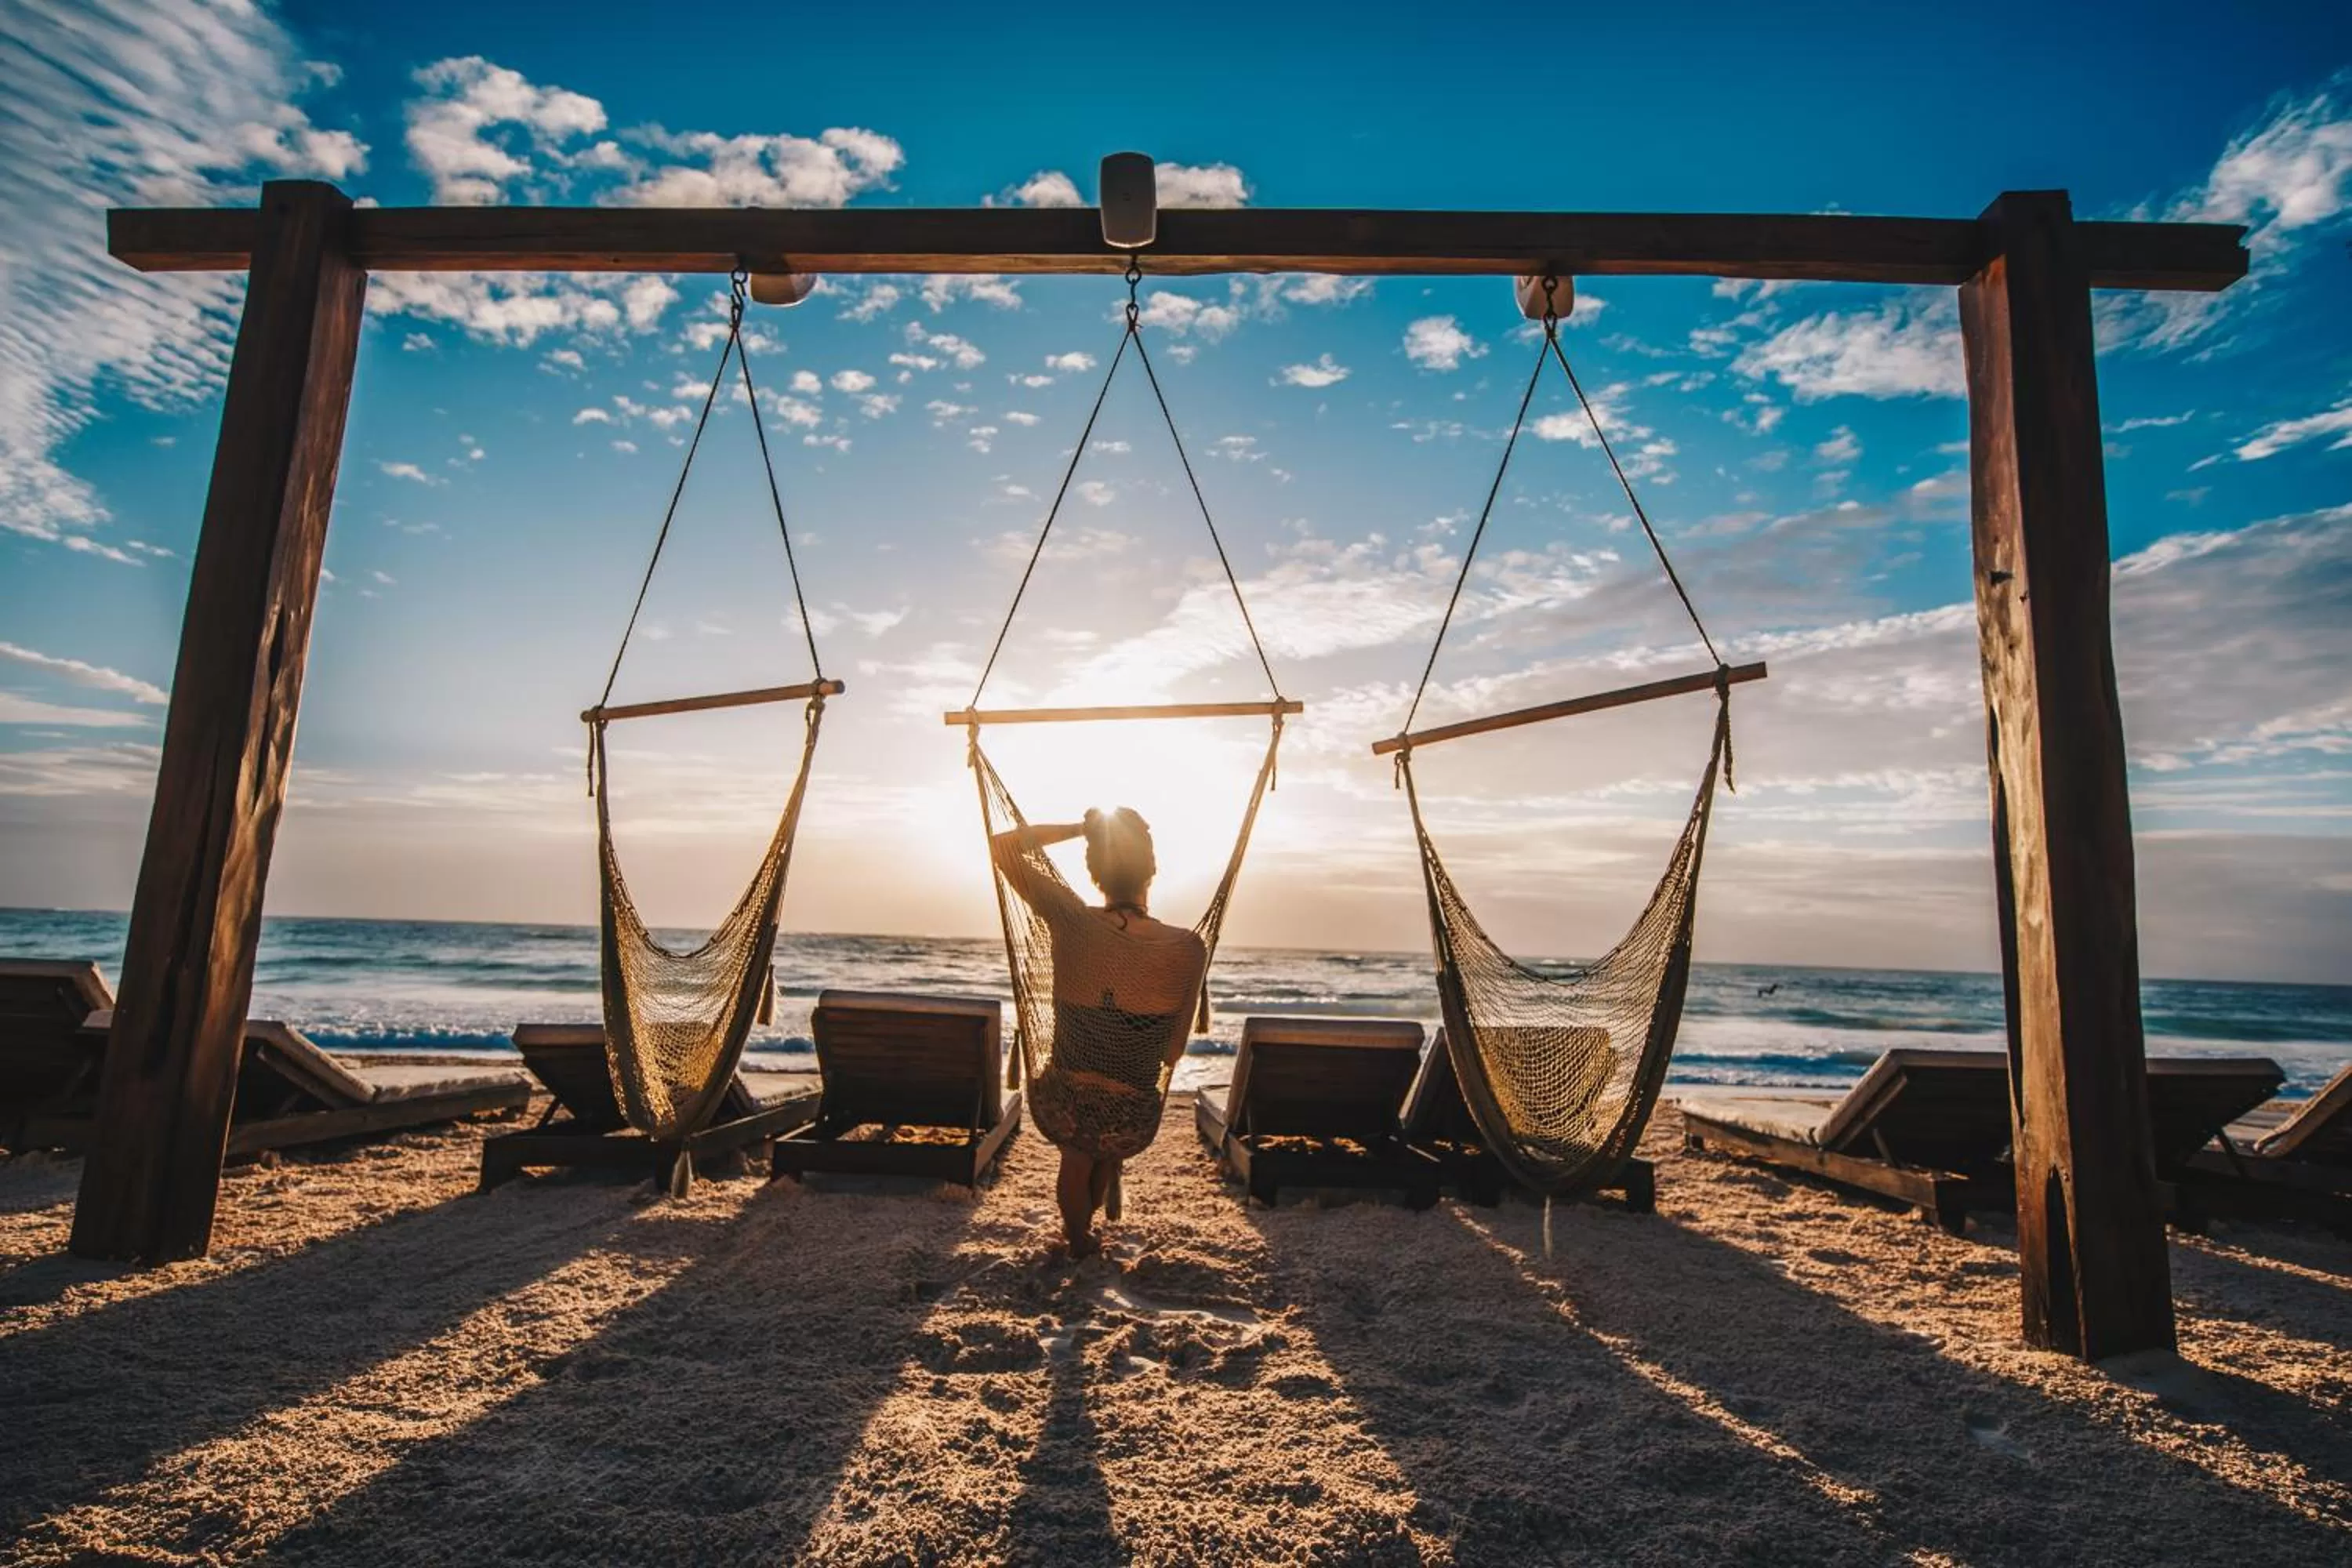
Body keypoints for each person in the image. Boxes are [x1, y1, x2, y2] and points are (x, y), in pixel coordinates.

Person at [992, 807, 1206, 1259]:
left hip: (1064, 1098)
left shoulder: (1071, 919)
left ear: (1095, 875)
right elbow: (1173, 1051)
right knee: (1106, 1146)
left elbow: (1003, 846)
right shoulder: (1188, 947)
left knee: (1077, 1153)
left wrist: (1079, 830)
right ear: (1152, 869)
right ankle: (1089, 1223)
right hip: (1131, 1113)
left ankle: (1078, 1240)